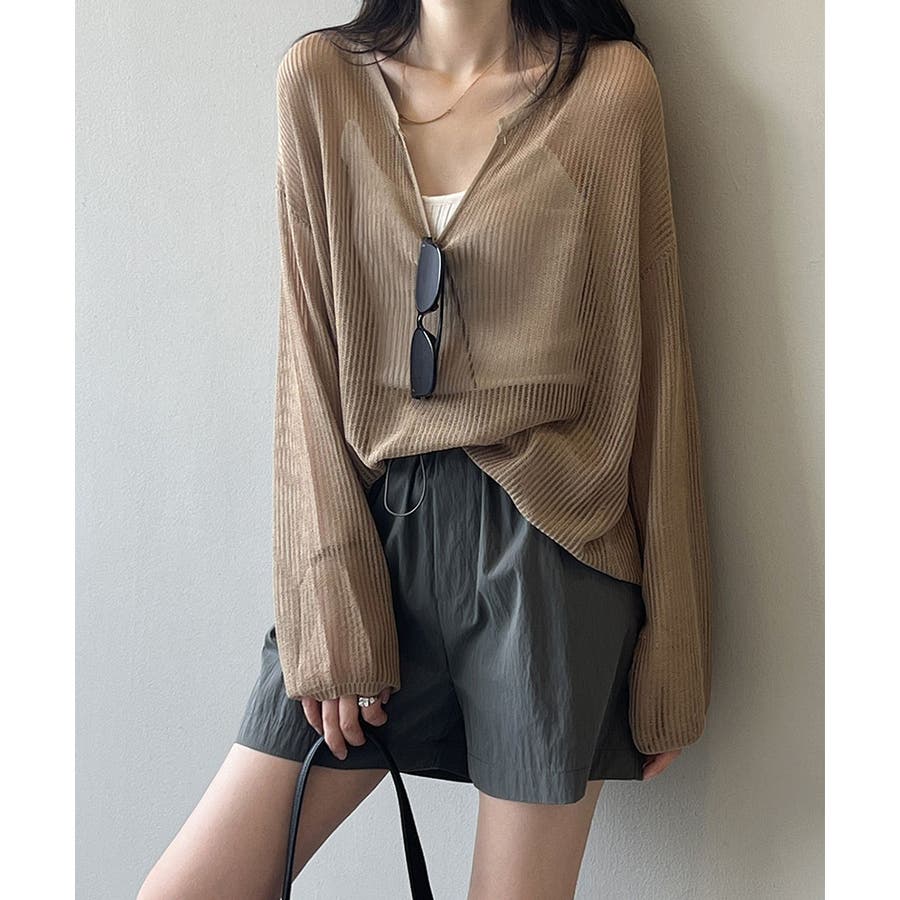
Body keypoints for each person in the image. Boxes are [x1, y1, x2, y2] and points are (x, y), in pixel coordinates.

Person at [138, 1, 713, 897]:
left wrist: (676, 642)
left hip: (551, 561)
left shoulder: (608, 90)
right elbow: (307, 367)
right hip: (376, 542)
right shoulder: (321, 83)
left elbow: (654, 370)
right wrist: (329, 601)